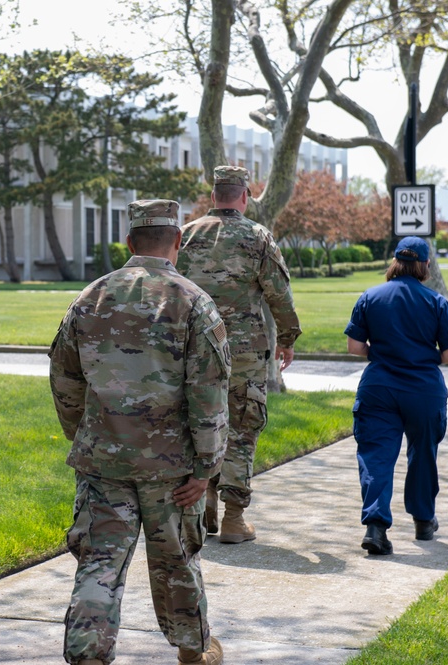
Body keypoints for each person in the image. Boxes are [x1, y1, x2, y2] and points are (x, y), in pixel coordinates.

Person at [50, 199, 232, 665]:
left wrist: (85, 435)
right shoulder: (194, 302)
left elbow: (65, 380)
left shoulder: (89, 297)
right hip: (172, 469)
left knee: (99, 563)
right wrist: (207, 466)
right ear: (177, 242)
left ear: (129, 243)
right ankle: (193, 652)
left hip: (103, 461)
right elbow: (208, 392)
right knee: (176, 561)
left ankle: (88, 654)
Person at [177, 165, 302, 543]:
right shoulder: (257, 235)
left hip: (194, 350)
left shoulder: (185, 235)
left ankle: (207, 501)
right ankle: (234, 518)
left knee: (199, 422)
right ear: (245, 196)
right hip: (244, 352)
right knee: (242, 429)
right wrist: (288, 337)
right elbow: (279, 292)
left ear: (214, 195)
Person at [344, 235, 448, 555]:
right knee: (422, 453)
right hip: (423, 390)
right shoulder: (436, 302)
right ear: (424, 265)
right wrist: (424, 358)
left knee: (377, 456)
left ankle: (376, 527)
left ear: (395, 261)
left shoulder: (370, 296)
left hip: (378, 387)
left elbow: (355, 347)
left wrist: (384, 356)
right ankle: (424, 521)